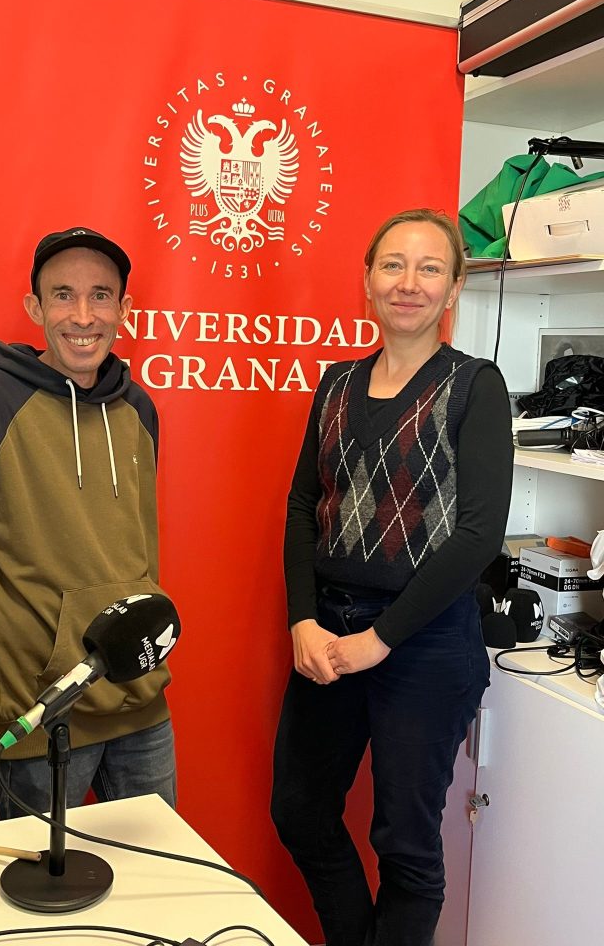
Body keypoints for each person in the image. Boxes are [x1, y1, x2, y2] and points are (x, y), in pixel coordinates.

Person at [270, 208, 513, 946]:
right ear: (368, 280)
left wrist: (379, 639)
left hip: (424, 640)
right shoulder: (336, 383)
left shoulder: (475, 386)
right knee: (301, 812)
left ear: (454, 287)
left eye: (430, 268)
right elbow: (304, 504)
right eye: (393, 265)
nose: (410, 283)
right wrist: (303, 618)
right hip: (328, 631)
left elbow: (477, 536)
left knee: (405, 845)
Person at [0, 226, 176, 818]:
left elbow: (134, 543)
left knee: (156, 870)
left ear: (124, 309)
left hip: (139, 698)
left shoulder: (138, 408)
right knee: (40, 878)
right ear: (35, 308)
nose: (83, 316)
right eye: (63, 295)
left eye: (100, 296)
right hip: (36, 708)